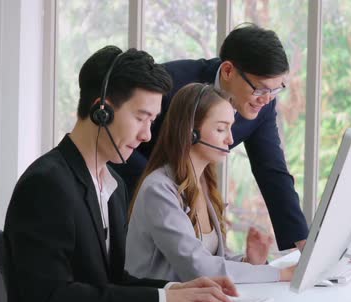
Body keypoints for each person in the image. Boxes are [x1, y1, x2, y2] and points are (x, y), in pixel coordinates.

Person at [3, 46, 238, 302]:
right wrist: (164, 301)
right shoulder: (46, 186)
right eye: (141, 118)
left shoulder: (113, 185)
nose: (147, 135)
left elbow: (113, 282)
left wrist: (179, 290)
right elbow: (53, 301)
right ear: (101, 110)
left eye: (152, 121)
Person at [113, 24, 308, 251]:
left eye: (276, 89)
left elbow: (272, 171)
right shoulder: (171, 84)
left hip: (190, 206)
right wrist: (164, 192)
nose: (266, 99)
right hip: (132, 194)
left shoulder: (261, 105)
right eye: (261, 89)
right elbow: (117, 140)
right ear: (227, 71)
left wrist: (302, 244)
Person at [125, 83, 295, 283]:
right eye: (221, 129)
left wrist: (250, 261)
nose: (230, 139)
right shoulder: (158, 190)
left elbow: (213, 261)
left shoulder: (204, 185)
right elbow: (197, 267)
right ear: (191, 133)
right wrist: (280, 274)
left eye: (230, 128)